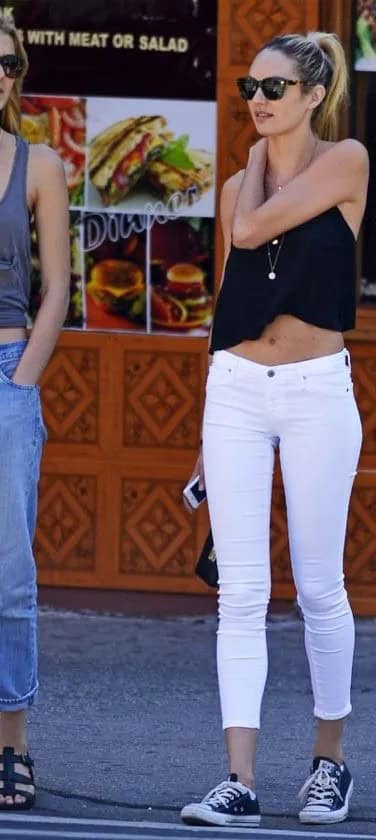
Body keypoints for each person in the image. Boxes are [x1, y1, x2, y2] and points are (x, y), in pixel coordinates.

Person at [181, 31, 368, 827]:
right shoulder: (235, 185)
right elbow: (231, 298)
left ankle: (329, 764)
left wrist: (257, 167)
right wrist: (204, 426)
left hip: (317, 389)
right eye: (251, 87)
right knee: (241, 593)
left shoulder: (346, 160)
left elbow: (254, 233)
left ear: (315, 95)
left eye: (275, 87)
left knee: (319, 586)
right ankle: (239, 779)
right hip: (237, 390)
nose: (258, 99)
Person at [0, 13, 70, 811]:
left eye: (10, 63)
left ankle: (12, 743)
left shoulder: (39, 163)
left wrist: (25, 375)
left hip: (6, 371)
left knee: (11, 573)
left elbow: (58, 286)